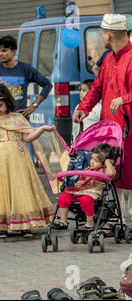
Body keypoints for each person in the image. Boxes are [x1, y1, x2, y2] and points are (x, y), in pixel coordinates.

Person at [0, 83, 55, 238]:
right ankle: (1, 226)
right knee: (0, 190)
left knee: (20, 188)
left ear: (8, 102)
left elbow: (28, 137)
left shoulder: (18, 118)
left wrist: (42, 128)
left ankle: (25, 225)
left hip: (18, 159)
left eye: (0, 105)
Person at [73, 14, 132, 218]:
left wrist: (124, 99)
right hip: (110, 129)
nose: (100, 38)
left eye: (100, 34)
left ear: (108, 35)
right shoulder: (108, 58)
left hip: (129, 128)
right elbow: (97, 87)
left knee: (129, 175)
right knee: (112, 173)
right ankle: (119, 221)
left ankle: (128, 222)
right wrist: (83, 107)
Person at [0, 35, 52, 117]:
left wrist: (34, 106)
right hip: (0, 120)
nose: (0, 54)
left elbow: (47, 84)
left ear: (13, 52)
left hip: (20, 119)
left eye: (4, 51)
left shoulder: (25, 69)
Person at [57, 143, 117, 231]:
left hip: (90, 193)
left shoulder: (104, 171)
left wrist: (108, 162)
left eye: (96, 161)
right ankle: (63, 222)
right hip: (77, 192)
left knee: (86, 200)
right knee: (63, 197)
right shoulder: (88, 169)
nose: (92, 161)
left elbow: (111, 174)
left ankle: (90, 223)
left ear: (104, 163)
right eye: (91, 158)